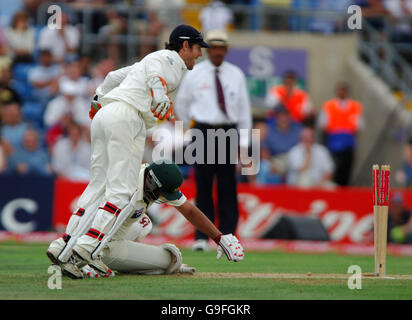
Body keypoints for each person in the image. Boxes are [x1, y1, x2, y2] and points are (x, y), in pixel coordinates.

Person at [46, 24, 209, 277]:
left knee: (97, 187)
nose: (199, 54)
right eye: (198, 48)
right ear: (185, 45)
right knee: (121, 191)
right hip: (127, 117)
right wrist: (160, 95)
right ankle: (88, 248)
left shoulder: (145, 64)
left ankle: (63, 246)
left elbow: (111, 76)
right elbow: (157, 72)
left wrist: (98, 99)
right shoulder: (169, 59)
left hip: (106, 114)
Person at [47, 159, 244, 279]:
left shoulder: (148, 177)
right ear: (152, 183)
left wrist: (219, 237)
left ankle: (82, 256)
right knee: (172, 258)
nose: (161, 196)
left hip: (93, 236)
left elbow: (189, 210)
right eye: (161, 192)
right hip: (98, 243)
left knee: (144, 223)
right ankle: (91, 262)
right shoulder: (127, 190)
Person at [174, 29, 252, 251]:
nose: (217, 52)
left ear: (226, 50)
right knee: (204, 186)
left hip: (228, 132)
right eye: (214, 48)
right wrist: (190, 132)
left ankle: (228, 236)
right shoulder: (195, 73)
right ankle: (202, 237)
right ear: (209, 50)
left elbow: (244, 111)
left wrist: (244, 144)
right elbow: (181, 105)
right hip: (203, 131)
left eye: (221, 48)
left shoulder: (236, 74)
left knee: (228, 187)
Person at [318, 82, 364, 186]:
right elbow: (322, 125)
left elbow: (358, 125)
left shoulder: (355, 106)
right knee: (332, 166)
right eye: (340, 90)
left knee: (346, 168)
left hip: (348, 141)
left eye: (344, 90)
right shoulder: (328, 106)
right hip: (333, 140)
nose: (342, 92)